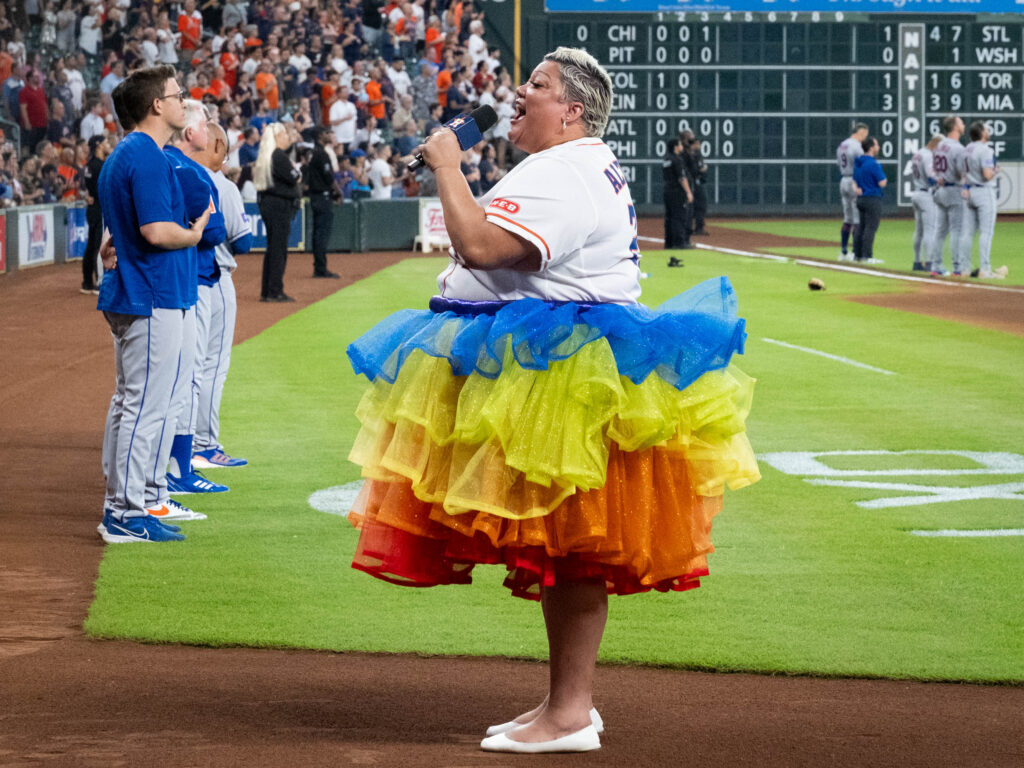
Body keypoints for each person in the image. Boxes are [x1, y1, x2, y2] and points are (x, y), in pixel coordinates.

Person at [344, 47, 759, 754]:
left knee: (571, 546)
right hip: (560, 364)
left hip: (561, 372)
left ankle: (570, 713)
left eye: (537, 86)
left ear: (572, 111)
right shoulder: (565, 166)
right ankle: (565, 705)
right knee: (562, 546)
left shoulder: (565, 171)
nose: (518, 94)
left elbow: (478, 246)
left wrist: (447, 165)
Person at [95, 65, 211, 544]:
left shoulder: (131, 154)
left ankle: (129, 502)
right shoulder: (144, 155)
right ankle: (124, 511)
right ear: (156, 106)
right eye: (176, 94)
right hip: (151, 294)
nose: (183, 100)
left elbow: (113, 239)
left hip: (139, 291)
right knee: (146, 407)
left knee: (134, 403)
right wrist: (195, 233)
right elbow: (157, 232)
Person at [159, 98, 230, 500]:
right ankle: (174, 474)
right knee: (179, 382)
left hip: (172, 282)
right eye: (204, 124)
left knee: (148, 393)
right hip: (189, 281)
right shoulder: (190, 170)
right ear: (189, 131)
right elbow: (216, 231)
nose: (209, 131)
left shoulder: (155, 161)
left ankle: (162, 477)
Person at [193, 122, 252, 470]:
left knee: (190, 365)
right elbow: (243, 242)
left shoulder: (174, 172)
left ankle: (185, 445)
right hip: (214, 278)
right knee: (213, 366)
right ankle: (205, 444)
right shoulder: (222, 185)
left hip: (185, 278)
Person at [255, 122, 300, 302]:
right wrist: (297, 171)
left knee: (273, 248)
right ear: (277, 137)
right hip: (279, 206)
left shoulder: (268, 155)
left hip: (269, 203)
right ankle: (275, 290)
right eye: (284, 135)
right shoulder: (279, 156)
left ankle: (268, 290)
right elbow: (294, 176)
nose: (287, 138)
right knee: (278, 249)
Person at [959, 120, 1005, 280]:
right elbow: (987, 175)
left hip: (968, 192)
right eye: (986, 129)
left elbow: (962, 174)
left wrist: (965, 188)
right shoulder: (984, 150)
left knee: (967, 233)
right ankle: (985, 269)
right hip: (983, 192)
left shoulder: (966, 149)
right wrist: (995, 171)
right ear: (981, 133)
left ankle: (964, 268)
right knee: (986, 232)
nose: (988, 131)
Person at [930, 115, 966, 277]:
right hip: (953, 189)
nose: (963, 125)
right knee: (956, 230)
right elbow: (961, 172)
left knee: (939, 231)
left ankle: (936, 266)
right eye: (961, 122)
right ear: (955, 127)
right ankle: (957, 267)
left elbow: (933, 169)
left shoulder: (938, 145)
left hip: (940, 189)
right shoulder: (958, 148)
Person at [307, 126, 340, 279]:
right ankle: (320, 268)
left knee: (318, 233)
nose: (329, 135)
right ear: (320, 136)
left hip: (316, 196)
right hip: (323, 197)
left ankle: (319, 266)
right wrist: (337, 191)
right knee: (322, 234)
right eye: (327, 133)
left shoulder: (314, 153)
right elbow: (328, 177)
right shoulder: (321, 154)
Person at [836, 122, 868, 261]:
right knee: (857, 219)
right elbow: (861, 167)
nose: (865, 138)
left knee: (847, 218)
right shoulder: (857, 146)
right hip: (853, 181)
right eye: (864, 134)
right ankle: (856, 252)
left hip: (843, 179)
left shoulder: (842, 144)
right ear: (860, 132)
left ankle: (843, 252)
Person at [851, 136, 886, 265]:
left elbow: (853, 180)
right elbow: (882, 182)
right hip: (872, 198)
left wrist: (857, 188)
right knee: (870, 228)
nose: (878, 147)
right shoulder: (873, 164)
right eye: (877, 145)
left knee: (860, 227)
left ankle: (857, 254)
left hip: (860, 199)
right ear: (871, 148)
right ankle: (867, 256)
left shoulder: (858, 162)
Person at [80, 135, 108, 295]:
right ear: (98, 145)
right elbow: (101, 190)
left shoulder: (89, 165)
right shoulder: (100, 165)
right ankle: (99, 282)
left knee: (92, 243)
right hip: (99, 208)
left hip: (92, 209)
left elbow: (89, 189)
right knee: (98, 244)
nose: (107, 145)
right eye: (105, 143)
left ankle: (87, 281)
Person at [910, 134, 941, 272]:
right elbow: (931, 177)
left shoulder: (918, 153)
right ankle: (929, 263)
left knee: (919, 231)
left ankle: (917, 262)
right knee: (930, 230)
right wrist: (942, 181)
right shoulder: (928, 156)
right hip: (926, 194)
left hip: (916, 192)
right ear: (935, 143)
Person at [661, 137, 689, 250]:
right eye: (680, 145)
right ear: (676, 147)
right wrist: (688, 192)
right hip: (677, 192)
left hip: (668, 191)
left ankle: (669, 243)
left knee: (669, 217)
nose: (682, 147)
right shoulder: (677, 160)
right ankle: (679, 243)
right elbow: (682, 178)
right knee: (679, 217)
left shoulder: (666, 159)